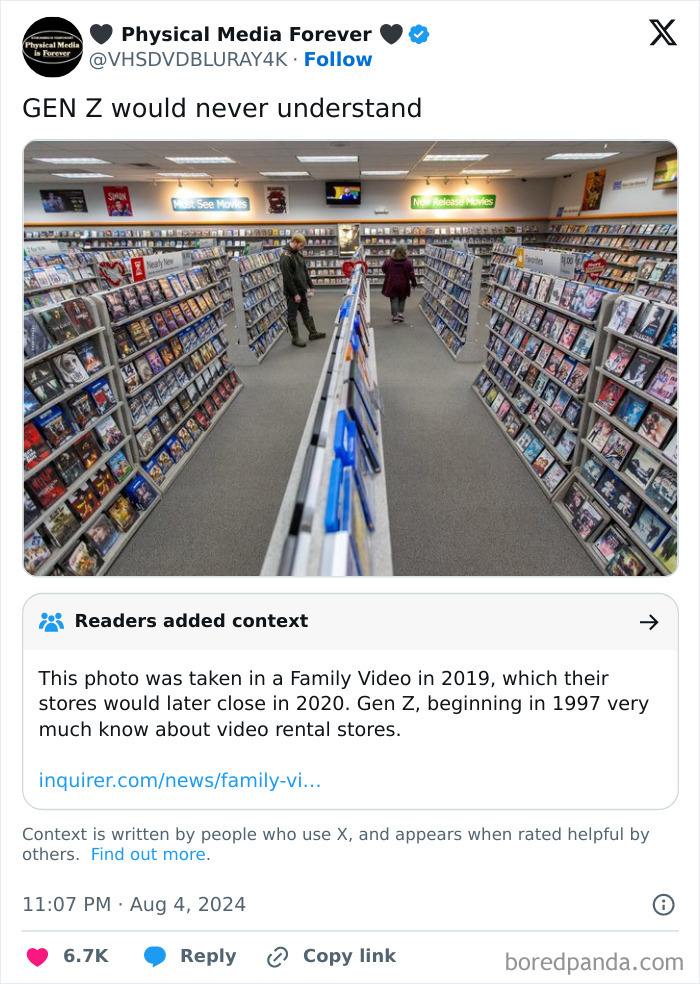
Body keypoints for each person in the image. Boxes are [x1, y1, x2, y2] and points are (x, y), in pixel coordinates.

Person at [280, 232, 326, 348]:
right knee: (292, 315)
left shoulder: (299, 255)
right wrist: (295, 294)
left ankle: (313, 333)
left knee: (305, 312)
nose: (302, 248)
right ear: (294, 242)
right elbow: (287, 278)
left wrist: (311, 286)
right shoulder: (286, 257)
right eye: (301, 245)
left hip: (301, 290)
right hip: (292, 293)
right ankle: (295, 338)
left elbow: (304, 272)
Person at [381, 244, 417, 323]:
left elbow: (384, 269)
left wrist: (389, 272)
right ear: (405, 251)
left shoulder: (389, 260)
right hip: (403, 284)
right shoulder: (408, 262)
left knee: (394, 299)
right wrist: (414, 283)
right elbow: (411, 274)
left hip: (392, 283)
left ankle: (395, 317)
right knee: (402, 298)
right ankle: (400, 314)